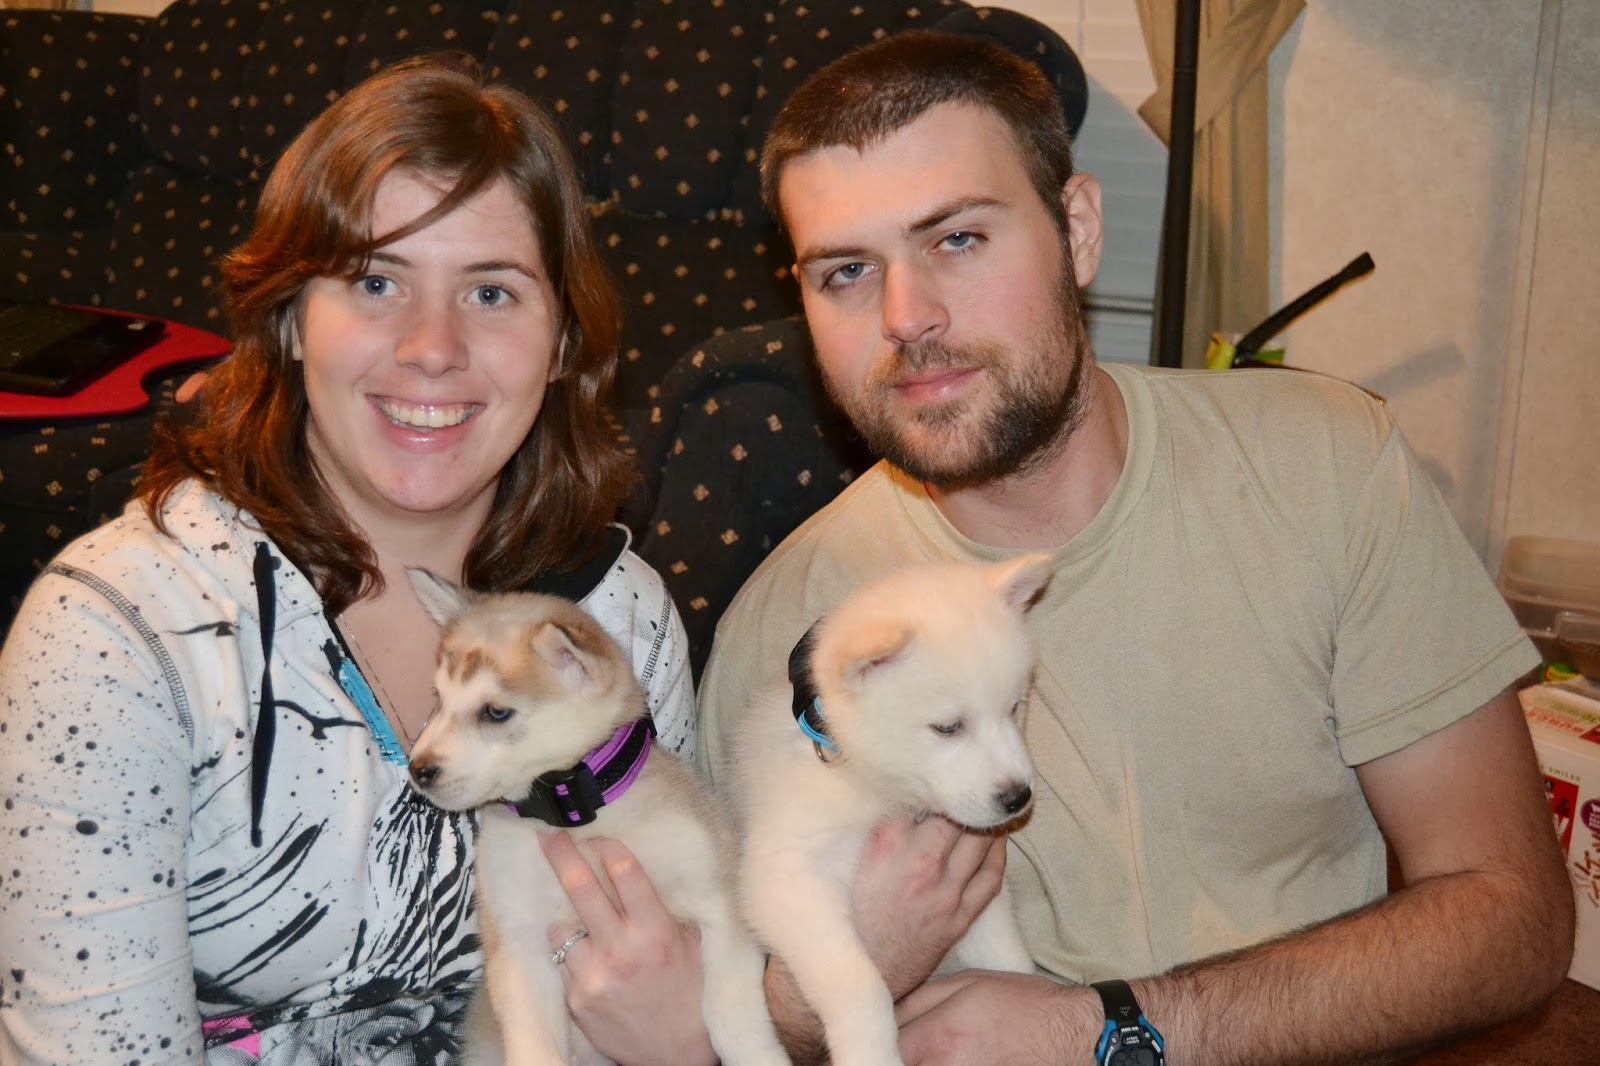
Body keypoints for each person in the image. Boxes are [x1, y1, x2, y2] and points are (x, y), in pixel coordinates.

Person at [696, 30, 1575, 1066]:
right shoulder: (782, 638)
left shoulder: (1326, 466)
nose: (906, 317)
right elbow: (744, 1010)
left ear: (1075, 230)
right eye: (846, 270)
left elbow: (1515, 917)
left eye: (958, 239)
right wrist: (819, 1004)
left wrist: (1111, 1030)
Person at [0, 57, 715, 1066]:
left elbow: (672, 969)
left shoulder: (617, 620)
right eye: (376, 282)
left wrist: (685, 1041)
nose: (431, 347)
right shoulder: (116, 637)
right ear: (290, 318)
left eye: (492, 292)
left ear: (562, 343)